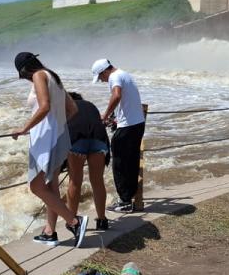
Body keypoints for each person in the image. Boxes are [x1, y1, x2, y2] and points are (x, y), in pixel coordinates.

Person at [13, 53, 87, 248]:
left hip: (45, 140)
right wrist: (57, 127)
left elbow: (44, 107)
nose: (26, 79)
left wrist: (24, 128)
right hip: (57, 137)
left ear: (24, 69)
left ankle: (74, 222)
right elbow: (72, 110)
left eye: (22, 75)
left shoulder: (38, 75)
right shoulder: (54, 77)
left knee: (36, 186)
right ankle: (49, 232)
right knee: (51, 186)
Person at [91, 58, 146, 213]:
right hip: (137, 123)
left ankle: (124, 202)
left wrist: (104, 115)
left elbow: (116, 96)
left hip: (127, 127)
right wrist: (115, 119)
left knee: (120, 164)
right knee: (132, 162)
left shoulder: (114, 77)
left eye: (100, 77)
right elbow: (127, 103)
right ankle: (129, 197)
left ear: (104, 71)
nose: (102, 81)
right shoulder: (125, 74)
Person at [65, 92, 111, 230]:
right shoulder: (91, 105)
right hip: (99, 140)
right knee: (97, 181)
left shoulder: (67, 107)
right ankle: (102, 220)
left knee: (75, 182)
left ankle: (72, 221)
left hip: (77, 141)